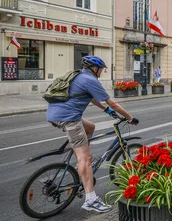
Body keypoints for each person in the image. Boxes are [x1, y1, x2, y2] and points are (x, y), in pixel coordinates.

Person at [47, 56, 139, 213]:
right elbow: (114, 103)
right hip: (69, 118)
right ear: (95, 69)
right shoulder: (91, 80)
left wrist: (105, 110)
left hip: (55, 114)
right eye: (101, 70)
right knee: (86, 158)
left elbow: (92, 98)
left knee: (90, 127)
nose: (101, 72)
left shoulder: (78, 76)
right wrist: (130, 118)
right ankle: (90, 200)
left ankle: (80, 161)